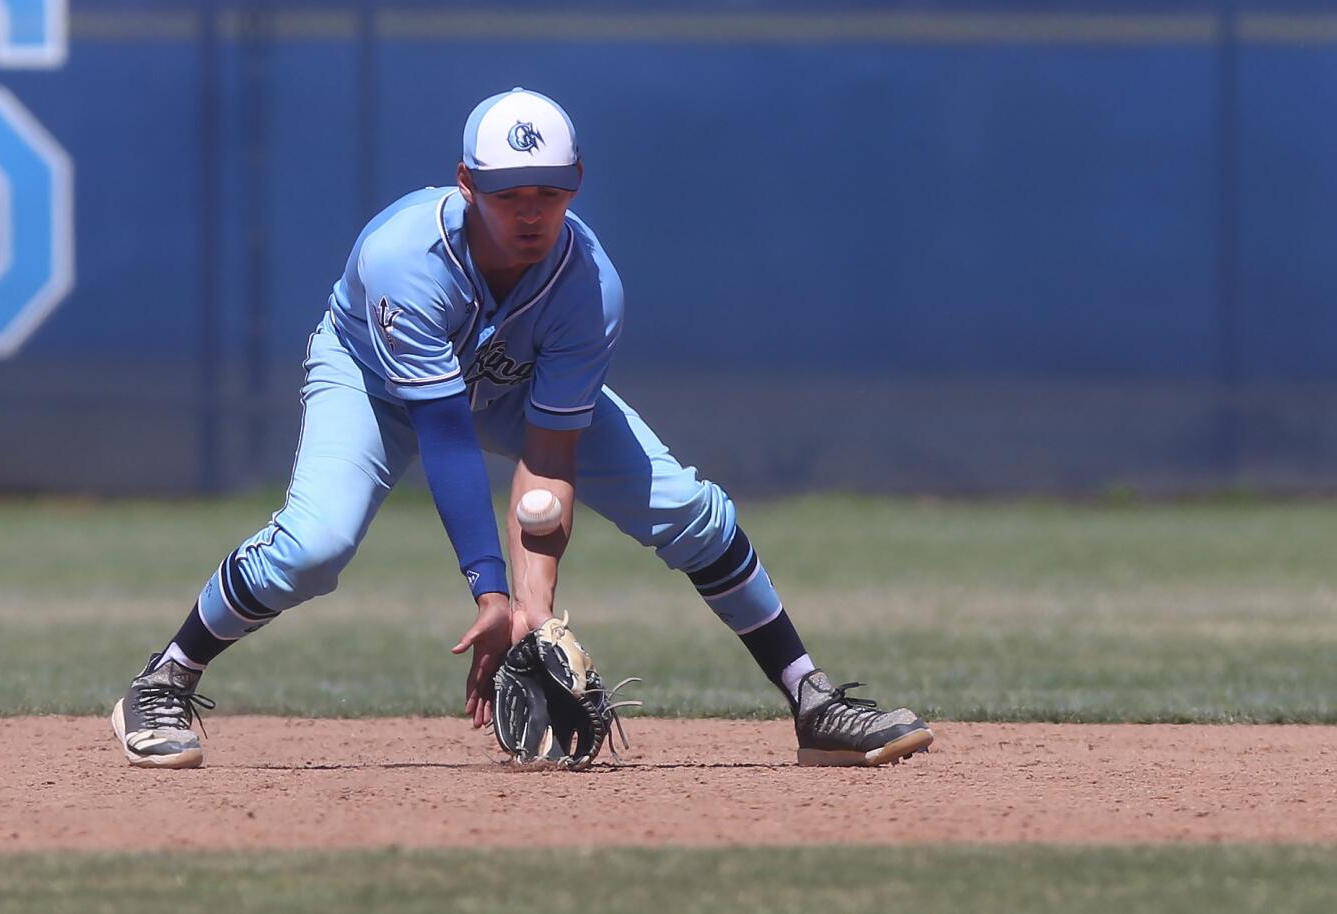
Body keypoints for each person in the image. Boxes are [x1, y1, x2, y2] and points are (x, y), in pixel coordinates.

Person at [111, 88, 934, 770]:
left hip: (512, 385)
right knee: (315, 545)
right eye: (509, 192)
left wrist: (534, 615)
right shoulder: (407, 257)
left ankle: (811, 700)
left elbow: (549, 458)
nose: (531, 211)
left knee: (691, 510)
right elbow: (444, 435)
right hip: (374, 381)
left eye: (549, 189)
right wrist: (490, 593)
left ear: (577, 182)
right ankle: (164, 679)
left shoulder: (588, 286)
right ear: (466, 183)